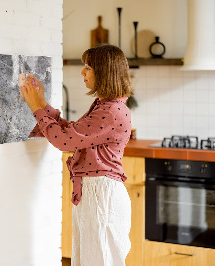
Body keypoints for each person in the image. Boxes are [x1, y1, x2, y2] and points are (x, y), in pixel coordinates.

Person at [21, 44, 133, 266]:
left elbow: (64, 141)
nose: (82, 72)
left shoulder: (110, 111)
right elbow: (72, 133)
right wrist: (42, 103)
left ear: (104, 72)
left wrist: (36, 107)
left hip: (101, 195)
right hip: (96, 193)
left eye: (88, 67)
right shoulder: (106, 106)